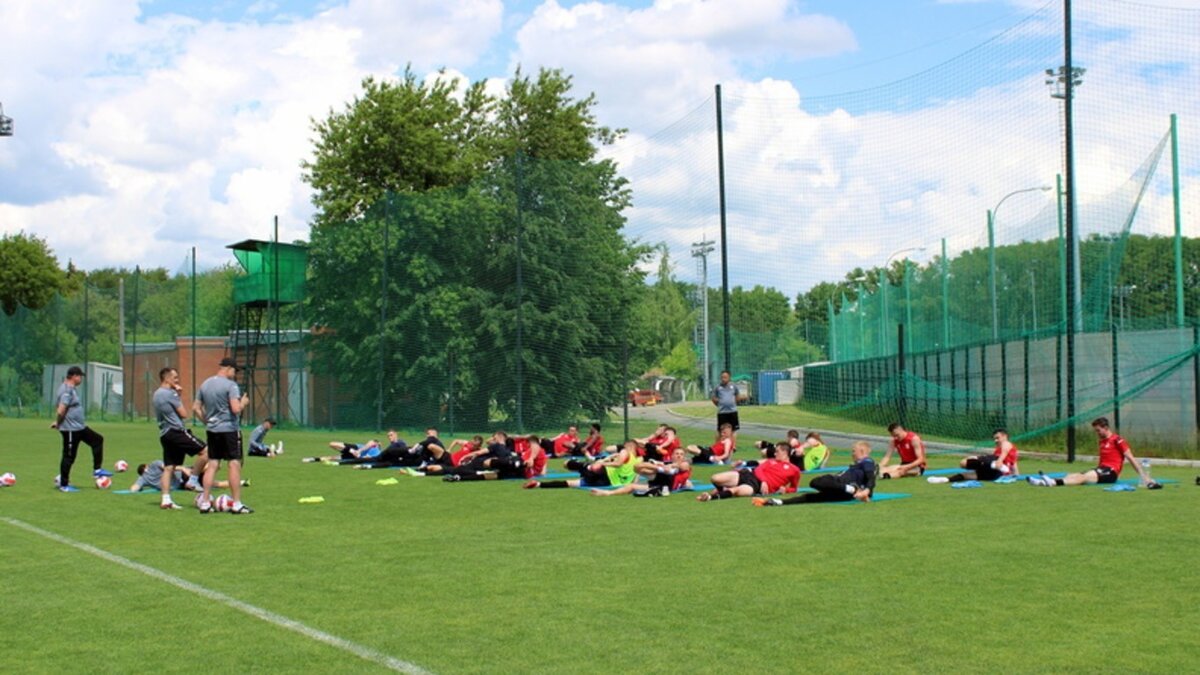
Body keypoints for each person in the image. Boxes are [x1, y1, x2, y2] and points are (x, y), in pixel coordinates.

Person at [1028, 417, 1159, 488]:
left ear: (1106, 428)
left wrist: (1144, 477)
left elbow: (1130, 458)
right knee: (1074, 474)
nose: (1097, 433)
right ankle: (1044, 482)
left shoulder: (1118, 440)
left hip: (1111, 472)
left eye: (1098, 430)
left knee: (1083, 477)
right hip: (1102, 469)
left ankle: (1054, 483)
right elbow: (1102, 461)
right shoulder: (1101, 442)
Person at [194, 357, 252, 514]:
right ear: (228, 368)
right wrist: (244, 402)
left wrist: (207, 421)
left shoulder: (205, 384)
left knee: (212, 465)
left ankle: (205, 502)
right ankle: (237, 503)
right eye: (234, 370)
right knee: (234, 463)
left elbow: (196, 408)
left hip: (212, 430)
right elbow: (235, 409)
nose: (235, 374)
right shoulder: (231, 386)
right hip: (229, 429)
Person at [152, 367, 210, 509]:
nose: (177, 380)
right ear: (166, 378)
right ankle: (193, 480)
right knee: (207, 451)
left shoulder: (156, 394)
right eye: (175, 377)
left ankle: (166, 499)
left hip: (165, 434)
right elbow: (184, 414)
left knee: (169, 467)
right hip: (176, 431)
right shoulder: (170, 394)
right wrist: (179, 394)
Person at [753, 441, 875, 505]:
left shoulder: (867, 461)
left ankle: (852, 490)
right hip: (842, 491)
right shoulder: (858, 466)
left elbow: (871, 478)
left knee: (816, 482)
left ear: (862, 451)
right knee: (811, 497)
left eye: (854, 451)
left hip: (841, 485)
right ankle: (779, 502)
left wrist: (866, 491)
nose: (852, 454)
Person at [50, 365, 107, 493]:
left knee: (97, 440)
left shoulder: (70, 388)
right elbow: (61, 410)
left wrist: (58, 421)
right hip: (71, 429)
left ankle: (97, 470)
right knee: (69, 456)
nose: (81, 379)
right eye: (80, 376)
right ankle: (64, 485)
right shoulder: (67, 390)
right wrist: (59, 423)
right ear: (75, 376)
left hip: (79, 428)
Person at [696, 443, 800, 501]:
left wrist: (786, 490)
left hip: (756, 486)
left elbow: (794, 488)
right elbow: (759, 469)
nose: (775, 453)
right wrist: (764, 480)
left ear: (785, 453)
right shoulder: (771, 461)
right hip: (748, 474)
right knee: (715, 478)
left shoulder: (794, 470)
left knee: (736, 491)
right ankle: (722, 489)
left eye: (777, 451)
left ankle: (710, 497)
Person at [523, 440, 638, 490]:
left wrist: (602, 462)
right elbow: (634, 482)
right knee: (570, 483)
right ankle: (539, 485)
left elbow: (618, 464)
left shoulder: (625, 452)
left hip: (603, 475)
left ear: (629, 446)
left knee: (587, 466)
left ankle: (573, 463)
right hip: (605, 483)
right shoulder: (637, 462)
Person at [591, 446, 692, 497]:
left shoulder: (685, 464)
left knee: (642, 469)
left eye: (681, 454)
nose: (679, 455)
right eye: (677, 454)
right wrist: (661, 466)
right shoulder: (668, 464)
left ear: (684, 456)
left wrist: (665, 466)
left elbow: (682, 467)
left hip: (666, 484)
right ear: (672, 455)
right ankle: (608, 493)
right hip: (659, 480)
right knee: (637, 468)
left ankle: (658, 469)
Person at [930, 429, 1019, 484]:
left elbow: (1005, 451)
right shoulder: (1002, 450)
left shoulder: (1006, 443)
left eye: (997, 438)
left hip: (996, 465)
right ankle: (946, 479)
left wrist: (999, 461)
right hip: (994, 474)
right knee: (967, 475)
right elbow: (1014, 464)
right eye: (994, 438)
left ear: (1005, 436)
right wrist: (1016, 475)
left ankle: (994, 465)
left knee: (963, 463)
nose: (996, 440)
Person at [129, 461, 243, 493]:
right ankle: (216, 466)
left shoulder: (142, 479)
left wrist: (140, 488)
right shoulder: (154, 464)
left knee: (213, 484)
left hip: (182, 485)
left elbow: (133, 489)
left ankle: (241, 482)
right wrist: (183, 468)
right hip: (183, 474)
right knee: (208, 472)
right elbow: (168, 467)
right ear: (146, 466)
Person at [711, 370, 747, 436]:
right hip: (722, 412)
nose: (723, 379)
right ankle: (717, 445)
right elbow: (713, 398)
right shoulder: (718, 387)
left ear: (729, 377)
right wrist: (720, 404)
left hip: (732, 411)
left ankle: (733, 446)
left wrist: (732, 403)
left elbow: (737, 396)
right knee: (720, 430)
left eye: (725, 377)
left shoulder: (733, 386)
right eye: (722, 377)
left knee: (733, 430)